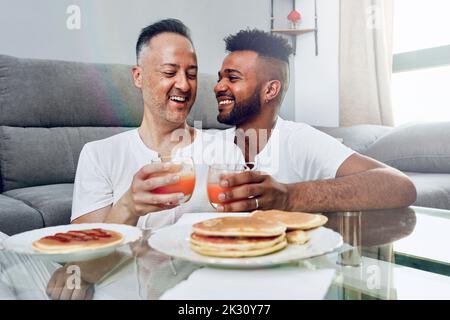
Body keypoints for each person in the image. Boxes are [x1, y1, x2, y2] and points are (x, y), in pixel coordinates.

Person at [212, 29, 417, 212]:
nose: (218, 87)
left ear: (270, 90)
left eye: (232, 78)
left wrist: (288, 197)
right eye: (219, 78)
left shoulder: (298, 141)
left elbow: (400, 186)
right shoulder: (209, 144)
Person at [71, 19, 241, 228]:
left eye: (192, 75)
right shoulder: (98, 156)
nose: (184, 85)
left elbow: (243, 240)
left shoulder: (227, 154)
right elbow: (88, 256)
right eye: (169, 73)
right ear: (138, 76)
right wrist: (128, 207)